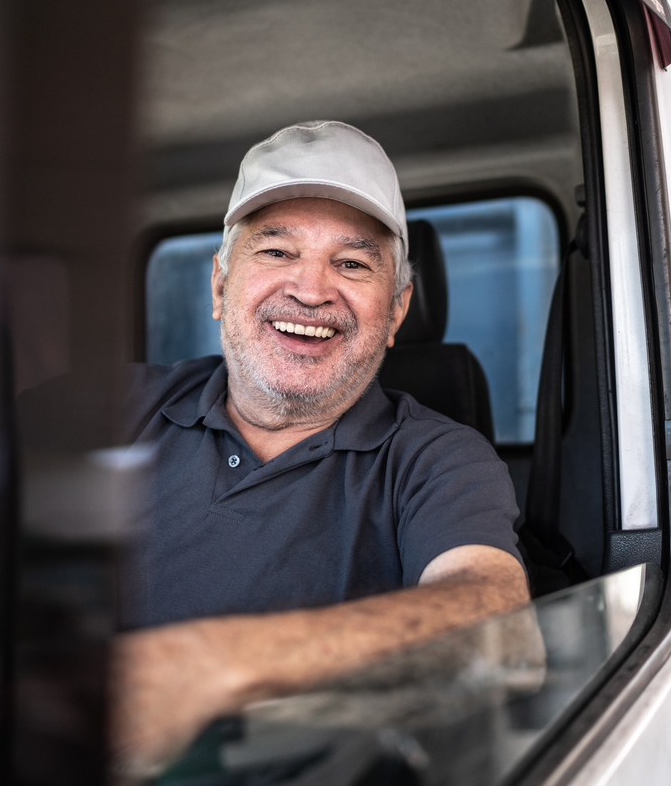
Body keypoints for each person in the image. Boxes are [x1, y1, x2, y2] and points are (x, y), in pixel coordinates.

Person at [111, 121, 529, 777]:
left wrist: (213, 666)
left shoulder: (437, 460)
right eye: (276, 253)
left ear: (395, 312)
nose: (310, 290)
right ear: (219, 288)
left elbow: (498, 625)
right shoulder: (116, 408)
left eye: (353, 263)